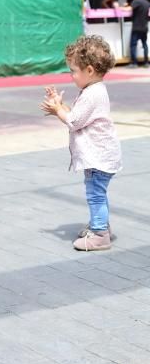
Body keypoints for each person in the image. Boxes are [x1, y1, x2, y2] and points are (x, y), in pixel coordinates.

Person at [40, 35, 122, 252]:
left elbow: (73, 121)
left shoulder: (92, 94)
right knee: (98, 193)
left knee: (95, 194)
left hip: (99, 158)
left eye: (74, 70)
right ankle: (100, 225)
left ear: (90, 70)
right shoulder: (92, 90)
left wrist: (57, 110)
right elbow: (77, 116)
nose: (71, 75)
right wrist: (60, 105)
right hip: (101, 156)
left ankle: (99, 235)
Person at [127, 0, 150, 68]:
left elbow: (129, 9)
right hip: (144, 26)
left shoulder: (136, 1)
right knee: (144, 44)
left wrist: (118, 8)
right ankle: (146, 62)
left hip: (136, 27)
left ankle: (134, 63)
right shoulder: (147, 2)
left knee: (133, 44)